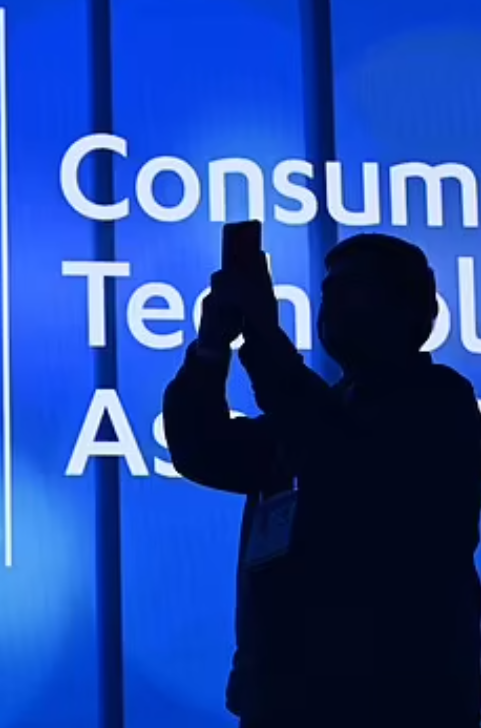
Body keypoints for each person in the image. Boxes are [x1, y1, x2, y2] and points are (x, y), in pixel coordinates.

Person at [163, 229, 481, 728]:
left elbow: (344, 463)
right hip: (283, 699)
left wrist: (263, 335)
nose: (331, 301)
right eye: (328, 290)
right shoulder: (318, 413)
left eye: (354, 287)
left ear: (409, 310)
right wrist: (210, 349)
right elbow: (203, 450)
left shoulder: (441, 405)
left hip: (396, 700)